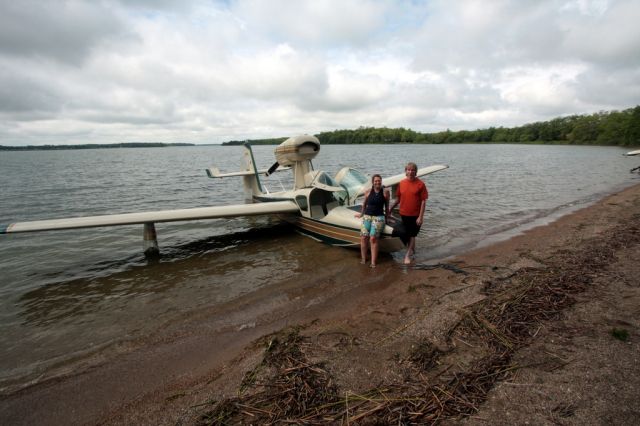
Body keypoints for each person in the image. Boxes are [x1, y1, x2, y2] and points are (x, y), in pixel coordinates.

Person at [389, 162, 428, 264]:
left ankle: (407, 255)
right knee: (410, 234)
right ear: (405, 171)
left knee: (411, 234)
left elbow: (423, 201)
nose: (410, 172)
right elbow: (398, 199)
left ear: (416, 172)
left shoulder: (421, 184)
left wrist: (421, 217)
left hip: (415, 215)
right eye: (409, 170)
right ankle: (413, 251)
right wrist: (390, 209)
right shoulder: (402, 183)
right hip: (404, 214)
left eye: (413, 170)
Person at [354, 174, 390, 268]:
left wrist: (387, 217)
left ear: (381, 181)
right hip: (367, 216)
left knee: (373, 238)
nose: (377, 182)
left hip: (379, 217)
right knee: (363, 238)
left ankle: (373, 262)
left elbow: (387, 206)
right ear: (373, 182)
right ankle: (363, 259)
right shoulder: (368, 192)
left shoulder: (385, 192)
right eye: (375, 181)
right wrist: (361, 214)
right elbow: (364, 204)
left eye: (379, 180)